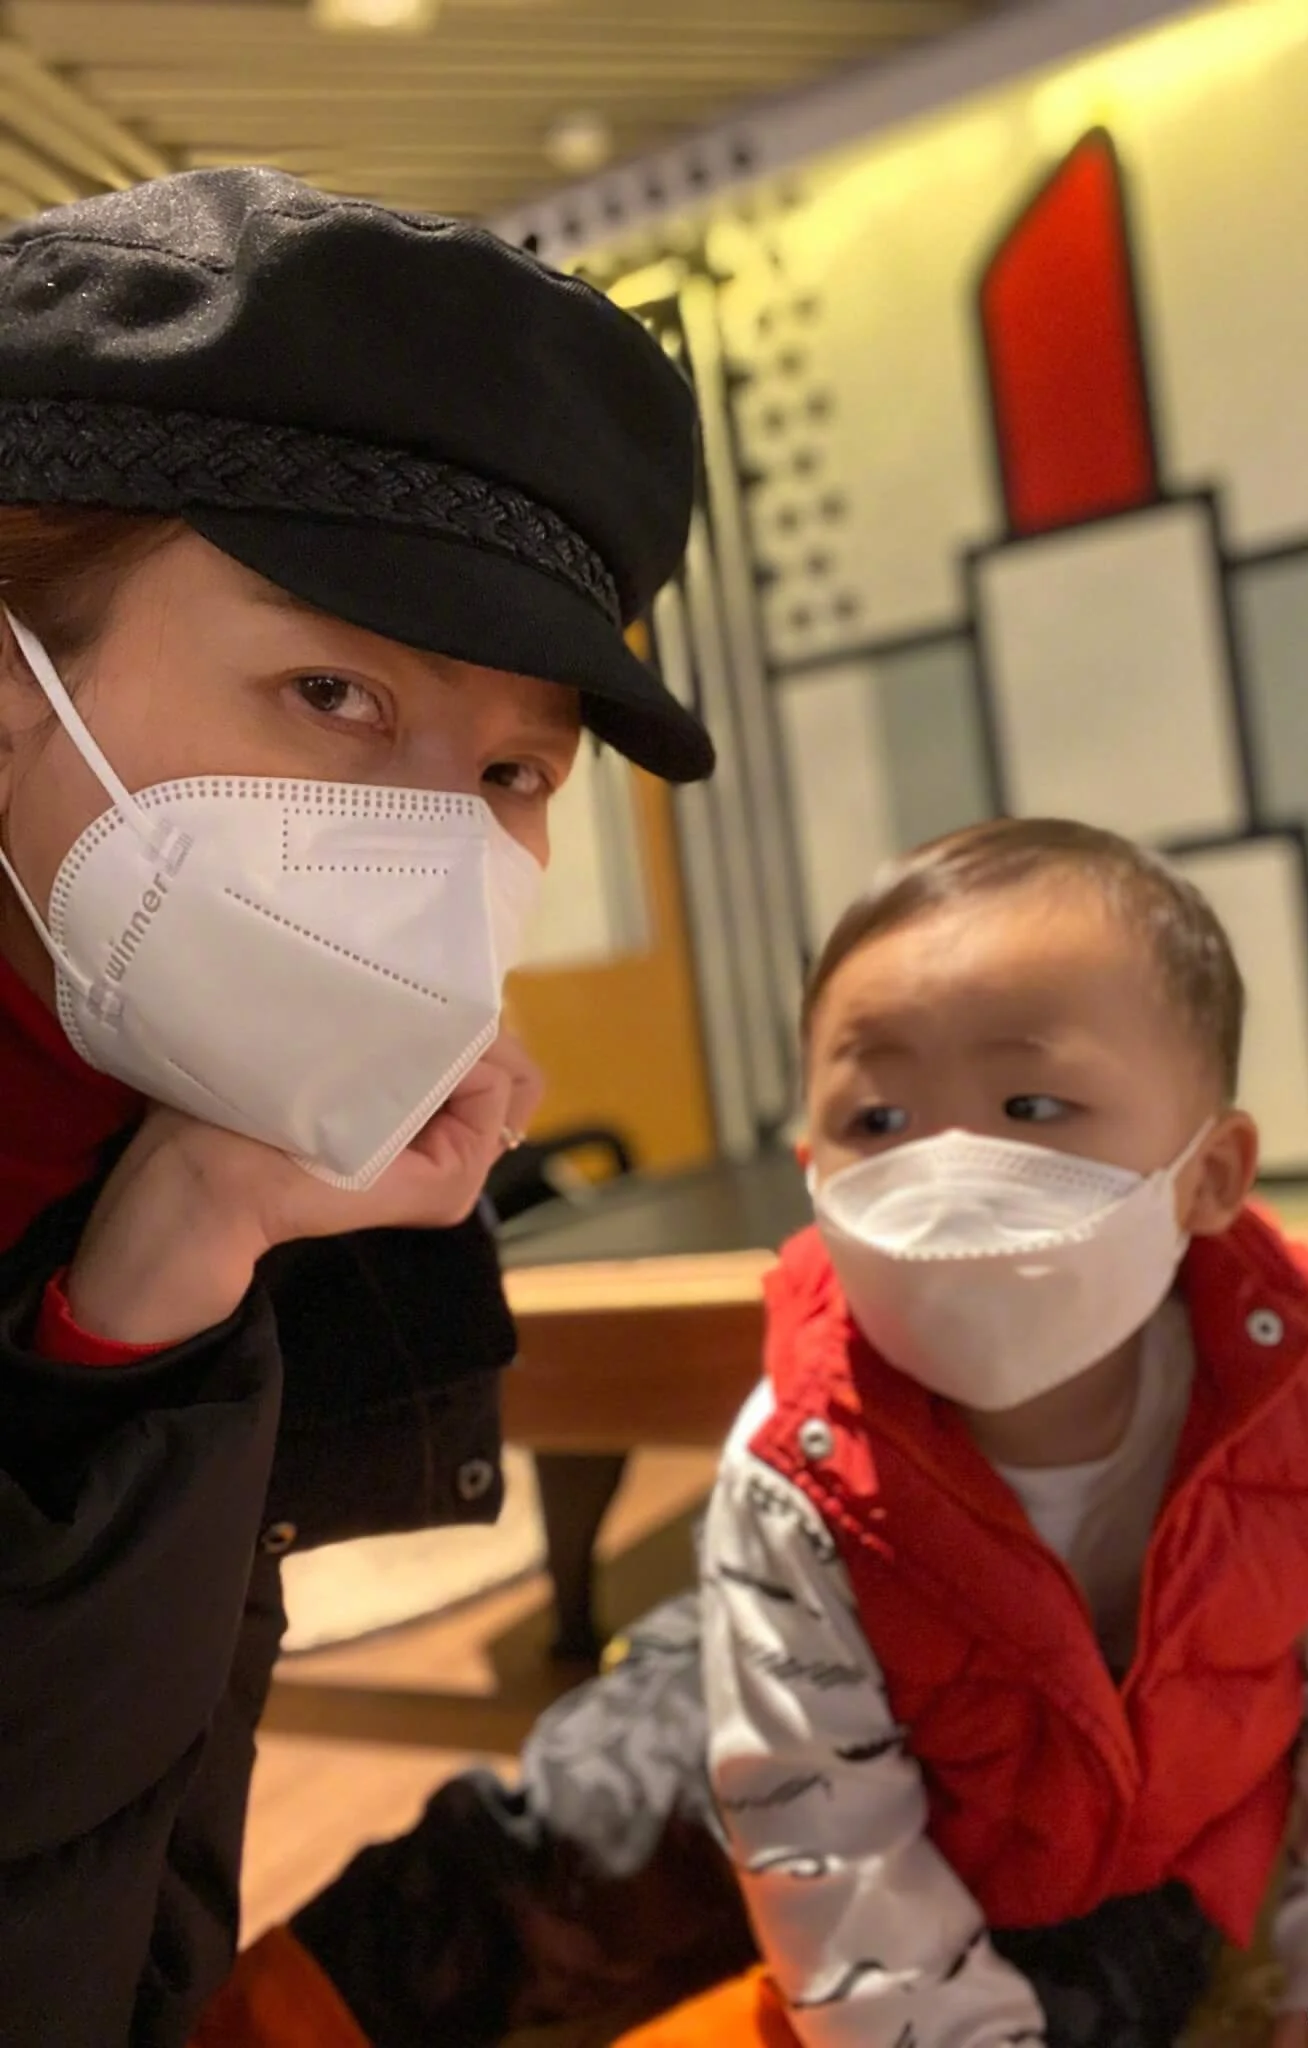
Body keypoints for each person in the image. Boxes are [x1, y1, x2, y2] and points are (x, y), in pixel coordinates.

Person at [0, 164, 712, 2047]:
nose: (431, 845)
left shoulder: (206, 1137)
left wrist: (166, 1280)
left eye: (511, 772)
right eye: (332, 690)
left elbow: (110, 1918)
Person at [608, 818, 1308, 2048]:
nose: (946, 1177)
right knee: (566, 1842)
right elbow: (831, 1848)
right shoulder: (789, 1467)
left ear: (1210, 1177)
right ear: (811, 1170)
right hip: (791, 1690)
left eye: (1030, 1103)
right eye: (878, 1120)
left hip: (1108, 1857)